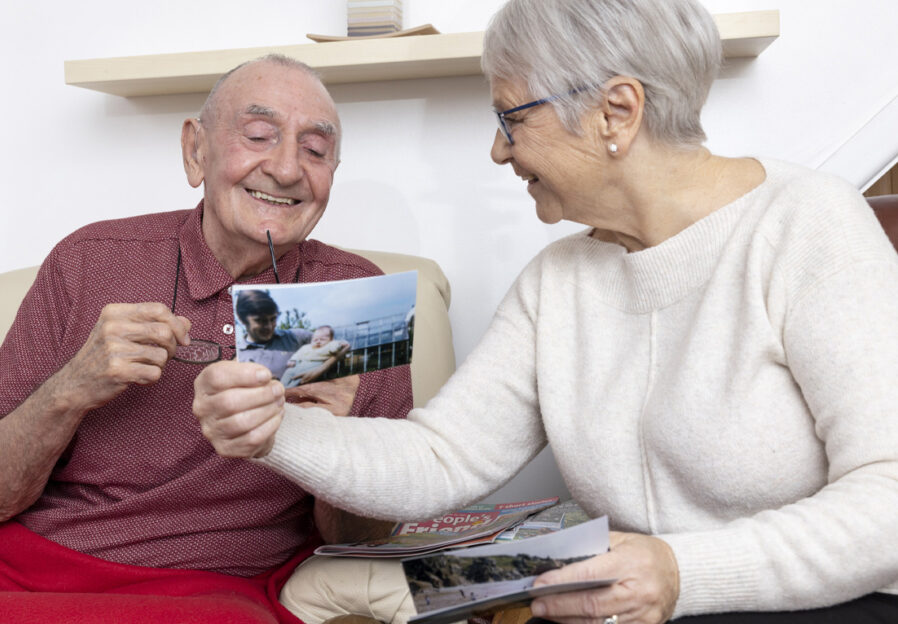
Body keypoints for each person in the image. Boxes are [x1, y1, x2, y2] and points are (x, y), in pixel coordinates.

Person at [191, 1, 898, 623]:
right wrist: (273, 430)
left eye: (511, 118)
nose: (498, 150)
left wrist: (682, 574)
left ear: (616, 112)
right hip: (628, 604)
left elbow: (888, 499)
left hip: (824, 603)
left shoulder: (809, 225)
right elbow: (439, 457)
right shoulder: (558, 281)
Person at [0, 54, 412, 622]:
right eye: (258, 135)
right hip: (34, 564)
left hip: (212, 588)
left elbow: (364, 539)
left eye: (315, 151)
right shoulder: (88, 262)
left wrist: (334, 446)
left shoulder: (354, 299)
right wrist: (74, 386)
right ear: (195, 151)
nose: (285, 169)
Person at [235, 289, 314, 378]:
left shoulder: (297, 337)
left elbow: (332, 346)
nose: (269, 326)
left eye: (273, 319)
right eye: (260, 321)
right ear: (242, 319)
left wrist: (321, 368)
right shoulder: (238, 356)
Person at [280, 326, 350, 388]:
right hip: (299, 364)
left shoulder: (329, 346)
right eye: (315, 339)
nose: (318, 341)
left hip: (315, 364)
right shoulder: (306, 347)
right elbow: (298, 354)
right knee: (288, 373)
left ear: (331, 340)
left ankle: (289, 390)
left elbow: (335, 347)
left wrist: (339, 345)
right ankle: (282, 386)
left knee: (300, 378)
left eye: (322, 339)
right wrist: (293, 360)